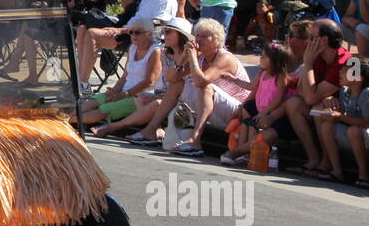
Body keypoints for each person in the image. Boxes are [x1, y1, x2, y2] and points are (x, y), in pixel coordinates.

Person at [164, 17, 252, 156]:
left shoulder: (225, 58)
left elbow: (201, 82)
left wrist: (192, 58)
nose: (198, 40)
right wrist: (182, 58)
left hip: (236, 111)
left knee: (206, 87)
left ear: (216, 40)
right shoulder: (201, 56)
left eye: (204, 36)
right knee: (178, 84)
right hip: (212, 106)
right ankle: (151, 129)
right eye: (197, 35)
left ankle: (195, 140)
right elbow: (170, 78)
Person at [282, 19, 351, 175]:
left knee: (319, 109)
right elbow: (301, 92)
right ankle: (313, 158)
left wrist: (308, 64)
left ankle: (326, 163)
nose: (308, 42)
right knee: (293, 104)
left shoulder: (347, 61)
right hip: (324, 105)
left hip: (349, 114)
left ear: (324, 40)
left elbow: (311, 98)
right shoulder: (317, 56)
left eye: (312, 38)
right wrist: (309, 65)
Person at [312, 56, 369, 186]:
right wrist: (329, 105)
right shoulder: (345, 91)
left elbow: (367, 123)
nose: (340, 72)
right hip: (353, 133)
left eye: (345, 70)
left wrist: (339, 116)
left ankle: (363, 175)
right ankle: (336, 170)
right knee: (327, 126)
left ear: (358, 78)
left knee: (354, 131)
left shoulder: (368, 93)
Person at [82, 19, 163, 132]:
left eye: (137, 32)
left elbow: (150, 81)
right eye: (131, 32)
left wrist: (124, 95)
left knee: (102, 110)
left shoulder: (155, 51)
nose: (133, 35)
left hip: (140, 97)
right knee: (92, 102)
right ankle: (61, 120)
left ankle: (65, 122)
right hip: (124, 92)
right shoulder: (133, 48)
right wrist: (114, 91)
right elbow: (125, 76)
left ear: (149, 34)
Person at [221, 42, 292, 166]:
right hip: (260, 109)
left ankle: (250, 154)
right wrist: (233, 80)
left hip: (271, 112)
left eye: (264, 56)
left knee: (254, 125)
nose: (261, 58)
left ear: (274, 61)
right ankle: (242, 152)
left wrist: (265, 112)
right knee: (246, 124)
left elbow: (279, 99)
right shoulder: (262, 74)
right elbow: (250, 86)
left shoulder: (280, 77)